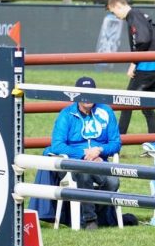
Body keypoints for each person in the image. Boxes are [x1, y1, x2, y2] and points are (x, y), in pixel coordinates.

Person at [42, 76, 121, 230]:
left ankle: (90, 215)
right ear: (76, 95)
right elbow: (57, 145)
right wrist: (84, 153)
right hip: (73, 163)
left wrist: (99, 150)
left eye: (91, 93)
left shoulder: (106, 111)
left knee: (113, 182)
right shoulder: (66, 114)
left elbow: (116, 143)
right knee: (84, 175)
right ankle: (90, 220)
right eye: (84, 94)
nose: (88, 98)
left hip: (99, 161)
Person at [106, 0, 155, 134]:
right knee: (147, 106)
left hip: (148, 66)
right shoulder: (139, 14)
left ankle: (118, 141)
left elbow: (143, 39)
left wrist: (134, 62)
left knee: (127, 102)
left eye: (113, 11)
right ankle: (154, 144)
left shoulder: (133, 15)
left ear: (117, 6)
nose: (114, 15)